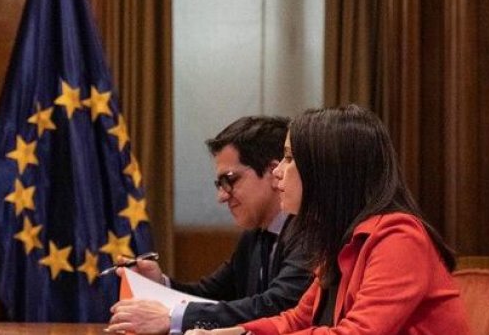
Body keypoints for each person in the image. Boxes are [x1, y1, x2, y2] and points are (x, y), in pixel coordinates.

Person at [189, 105, 470, 335]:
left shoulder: (399, 238)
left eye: (288, 159)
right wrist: (237, 332)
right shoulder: (338, 241)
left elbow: (358, 333)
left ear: (325, 170)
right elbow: (297, 320)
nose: (278, 173)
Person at [110, 116, 313, 334]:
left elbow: (276, 305)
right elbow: (211, 295)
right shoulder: (253, 235)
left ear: (274, 172)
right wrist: (161, 283)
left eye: (230, 180)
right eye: (219, 183)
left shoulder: (310, 232)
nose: (221, 196)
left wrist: (173, 318)